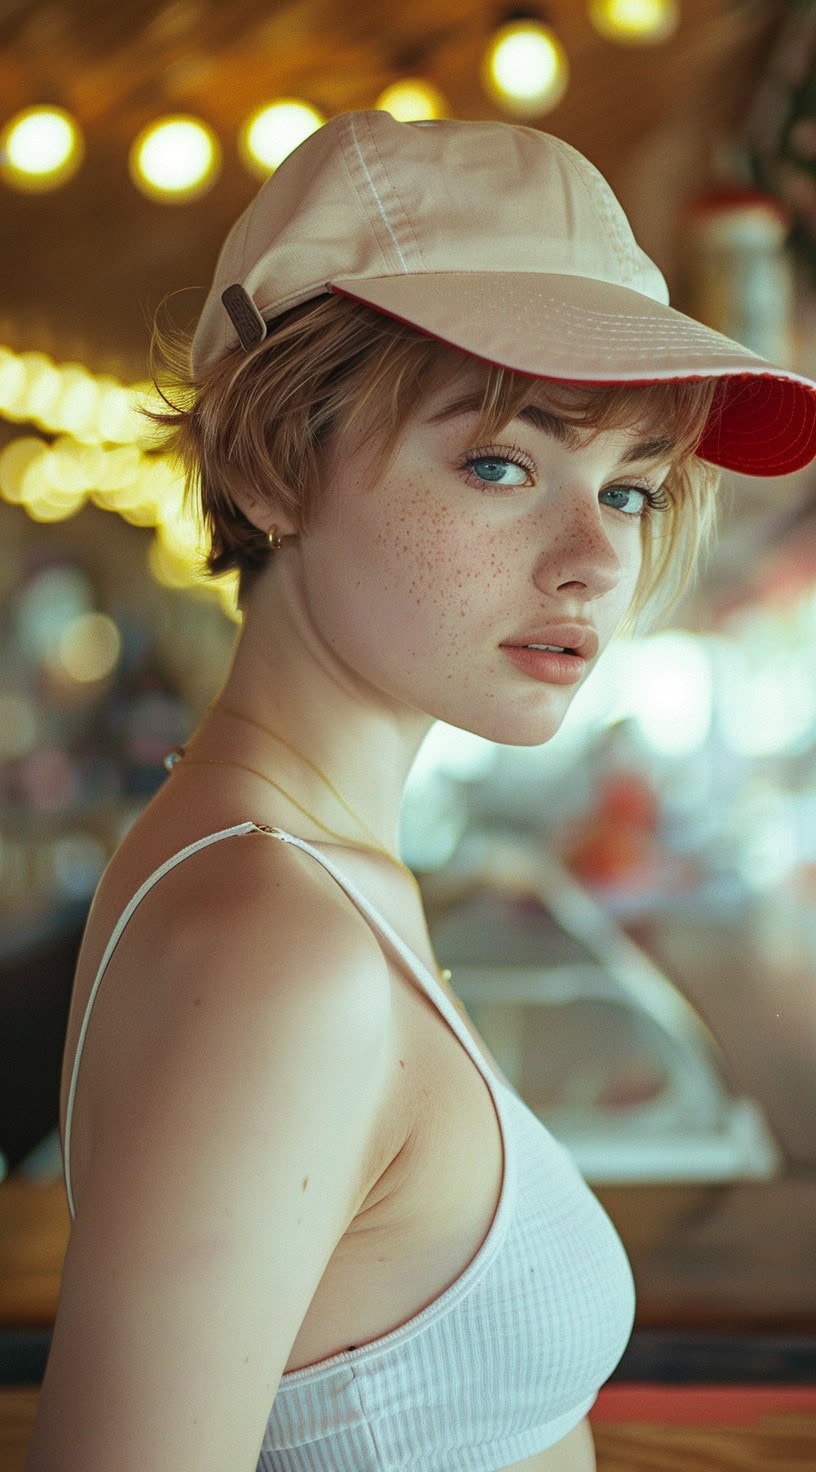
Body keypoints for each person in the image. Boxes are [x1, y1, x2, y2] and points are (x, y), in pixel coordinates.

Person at [26, 111, 816, 1472]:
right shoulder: (283, 948)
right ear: (273, 463)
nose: (591, 563)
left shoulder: (281, 865)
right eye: (501, 463)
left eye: (629, 489)